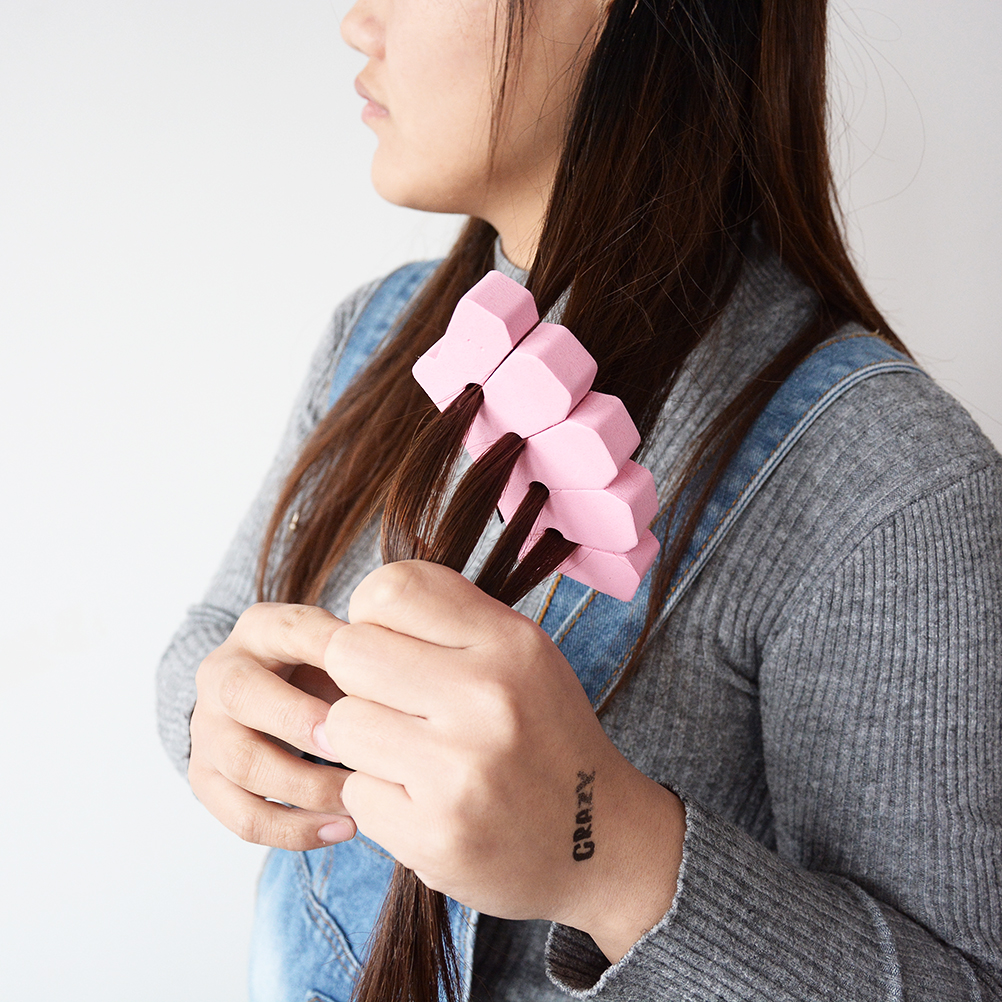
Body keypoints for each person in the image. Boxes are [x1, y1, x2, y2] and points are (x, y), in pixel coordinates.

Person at [157, 0, 1002, 999]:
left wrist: (608, 852)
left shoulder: (892, 478)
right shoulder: (374, 336)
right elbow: (211, 641)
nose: (358, 20)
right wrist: (222, 714)